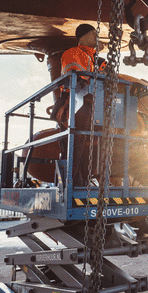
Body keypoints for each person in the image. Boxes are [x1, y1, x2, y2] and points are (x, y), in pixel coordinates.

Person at [51, 24, 106, 186]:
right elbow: (78, 79)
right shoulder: (73, 53)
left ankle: (83, 180)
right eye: (93, 34)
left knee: (86, 145)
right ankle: (73, 183)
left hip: (88, 105)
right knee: (74, 146)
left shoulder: (91, 58)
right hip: (76, 105)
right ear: (82, 36)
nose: (96, 37)